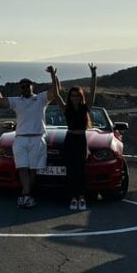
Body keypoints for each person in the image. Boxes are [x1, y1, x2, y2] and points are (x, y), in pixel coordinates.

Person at [0, 69, 57, 208]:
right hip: (20, 139)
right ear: (20, 88)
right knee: (22, 168)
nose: (25, 88)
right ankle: (27, 194)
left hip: (37, 138)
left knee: (33, 169)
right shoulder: (16, 101)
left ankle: (25, 194)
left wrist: (53, 75)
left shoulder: (40, 99)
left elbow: (55, 92)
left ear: (32, 86)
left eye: (27, 86)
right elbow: (1, 101)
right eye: (22, 86)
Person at [50, 64, 97, 210]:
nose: (75, 97)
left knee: (80, 170)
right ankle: (73, 198)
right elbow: (57, 95)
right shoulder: (66, 109)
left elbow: (92, 92)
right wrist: (53, 76)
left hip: (81, 141)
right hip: (69, 140)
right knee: (70, 170)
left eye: (77, 95)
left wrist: (93, 75)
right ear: (70, 97)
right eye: (72, 95)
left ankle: (82, 197)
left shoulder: (85, 108)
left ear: (81, 97)